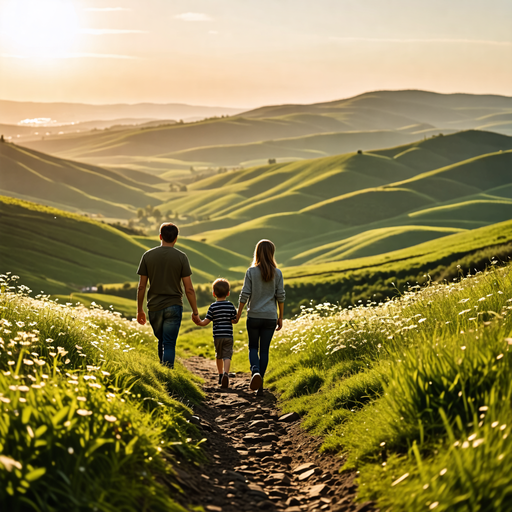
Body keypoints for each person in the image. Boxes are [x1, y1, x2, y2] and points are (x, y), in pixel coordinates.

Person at [136, 222, 200, 368]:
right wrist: (195, 312)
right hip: (174, 305)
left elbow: (141, 286)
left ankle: (164, 371)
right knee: (169, 343)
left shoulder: (147, 256)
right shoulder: (181, 257)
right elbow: (189, 288)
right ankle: (168, 374)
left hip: (154, 306)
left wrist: (140, 310)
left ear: (160, 236)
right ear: (176, 239)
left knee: (161, 340)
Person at [236, 239, 285, 396]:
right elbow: (281, 296)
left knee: (253, 347)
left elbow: (245, 294)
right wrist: (280, 317)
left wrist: (238, 314)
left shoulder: (251, 272)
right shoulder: (277, 273)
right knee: (264, 350)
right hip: (270, 316)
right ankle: (260, 384)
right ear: (272, 253)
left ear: (256, 252)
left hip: (254, 316)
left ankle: (255, 371)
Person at [195, 278, 238, 388]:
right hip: (228, 335)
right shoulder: (230, 305)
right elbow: (234, 320)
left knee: (219, 356)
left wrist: (198, 322)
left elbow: (206, 322)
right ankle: (226, 374)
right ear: (228, 293)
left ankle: (220, 375)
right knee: (227, 356)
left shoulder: (213, 307)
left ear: (214, 293)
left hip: (218, 336)